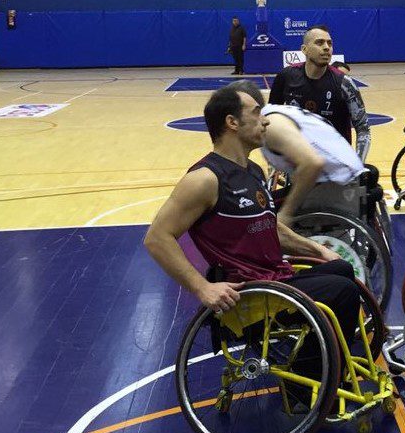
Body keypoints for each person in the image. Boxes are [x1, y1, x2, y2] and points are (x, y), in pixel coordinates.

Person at [143, 81, 359, 342]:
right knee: (342, 291)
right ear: (232, 122)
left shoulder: (253, 171)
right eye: (257, 113)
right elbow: (157, 238)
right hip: (249, 295)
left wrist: (318, 250)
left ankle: (323, 357)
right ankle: (313, 367)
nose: (265, 121)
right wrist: (202, 288)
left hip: (275, 280)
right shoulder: (205, 179)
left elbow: (270, 227)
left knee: (341, 269)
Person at [260, 99, 367, 228]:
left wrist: (286, 213)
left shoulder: (272, 125)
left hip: (337, 184)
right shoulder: (278, 112)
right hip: (341, 175)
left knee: (260, 211)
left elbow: (313, 163)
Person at [269, 25, 371, 160]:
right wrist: (274, 161)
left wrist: (359, 164)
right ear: (304, 49)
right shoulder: (286, 77)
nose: (326, 47)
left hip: (336, 162)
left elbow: (363, 128)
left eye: (329, 43)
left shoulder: (345, 84)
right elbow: (271, 119)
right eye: (319, 43)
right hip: (298, 160)